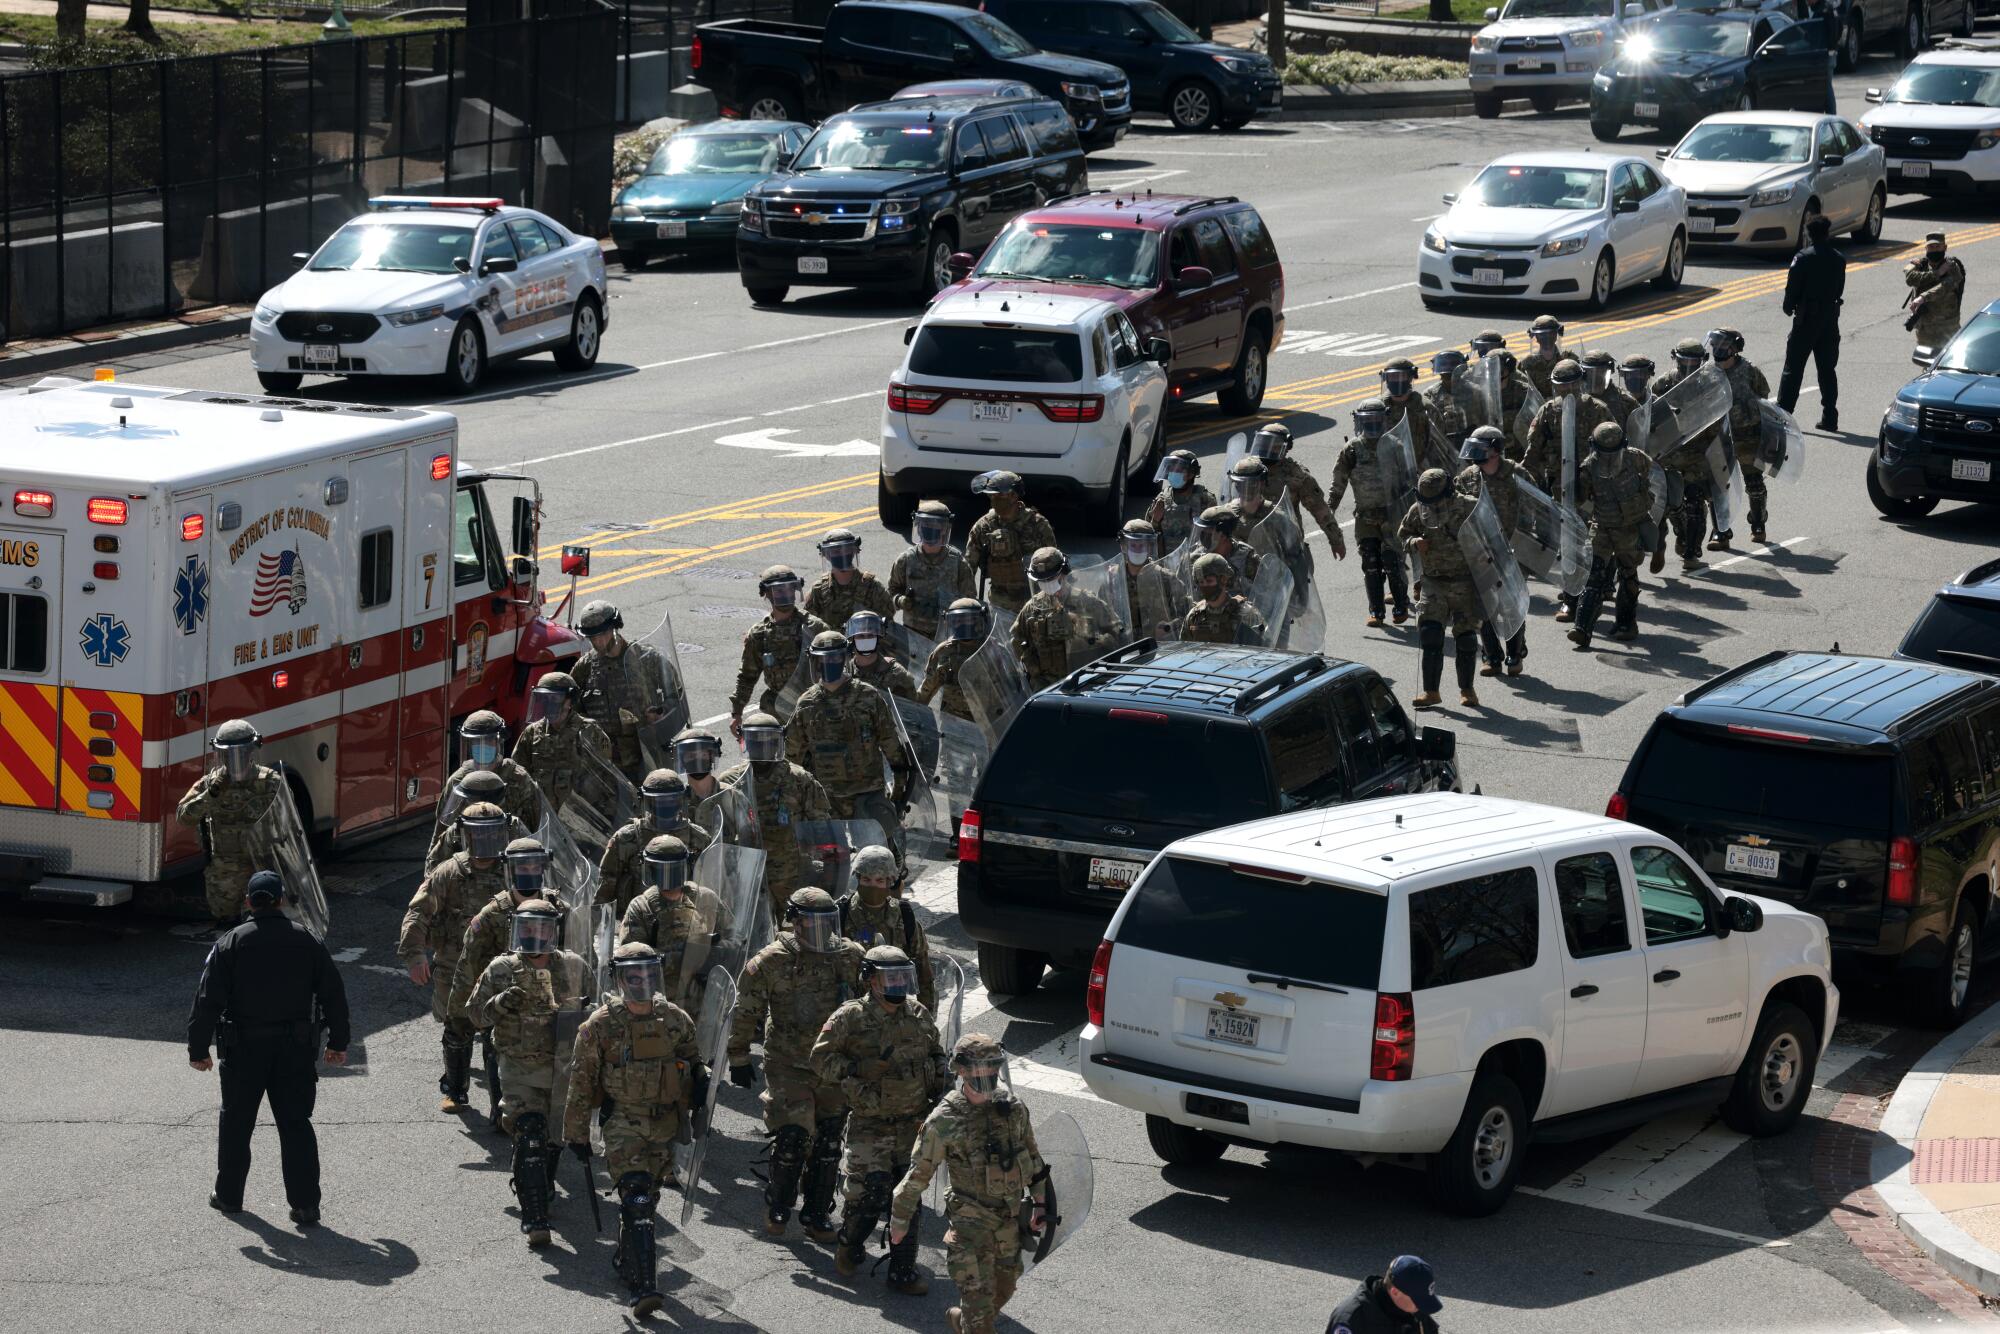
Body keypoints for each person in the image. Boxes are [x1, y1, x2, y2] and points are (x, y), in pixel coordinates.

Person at [187, 870, 349, 1226]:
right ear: (280, 900)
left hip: (243, 1048)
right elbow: (333, 994)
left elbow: (207, 999)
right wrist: (338, 1042)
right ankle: (305, 1205)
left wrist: (198, 1049)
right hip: (294, 1048)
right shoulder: (307, 940)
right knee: (295, 1125)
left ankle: (229, 1197)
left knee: (236, 1123)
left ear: (248, 902)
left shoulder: (231, 942)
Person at [564, 943, 702, 1317]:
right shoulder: (600, 1025)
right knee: (637, 1198)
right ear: (620, 979)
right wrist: (576, 1135)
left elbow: (692, 1061)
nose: (641, 982)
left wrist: (700, 1087)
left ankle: (628, 1260)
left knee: (647, 1202)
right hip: (623, 1122)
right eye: (633, 975)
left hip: (664, 1124)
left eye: (647, 974)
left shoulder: (675, 1019)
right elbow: (580, 1082)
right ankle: (645, 1288)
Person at [729, 887, 866, 1242]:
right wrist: (739, 1055)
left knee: (829, 1141)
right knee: (793, 1135)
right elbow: (746, 1010)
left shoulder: (850, 956)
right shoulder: (771, 961)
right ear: (795, 922)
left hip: (833, 1064)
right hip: (788, 1061)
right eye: (811, 923)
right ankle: (779, 1204)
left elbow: (871, 1004)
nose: (821, 931)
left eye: (826, 923)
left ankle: (817, 1213)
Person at [809, 944, 947, 1295]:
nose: (899, 985)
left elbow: (936, 1052)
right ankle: (851, 1243)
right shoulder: (849, 1017)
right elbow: (820, 1061)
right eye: (891, 978)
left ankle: (902, 1271)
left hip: (912, 1123)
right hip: (871, 1121)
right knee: (870, 1194)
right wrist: (856, 1068)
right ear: (871, 980)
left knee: (907, 1198)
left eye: (904, 977)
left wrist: (942, 1085)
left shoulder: (918, 1014)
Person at [888, 1035, 1047, 1334]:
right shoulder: (944, 1120)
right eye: (978, 1071)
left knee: (1005, 1288)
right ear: (961, 1071)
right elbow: (918, 1174)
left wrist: (1040, 1202)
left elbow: (1034, 1161)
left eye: (991, 1070)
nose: (986, 1077)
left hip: (1008, 1224)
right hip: (969, 1228)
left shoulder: (1013, 1109)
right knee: (981, 1319)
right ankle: (973, 1322)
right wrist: (900, 1220)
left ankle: (962, 1319)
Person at [467, 897, 592, 1248]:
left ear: (555, 931)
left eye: (542, 928)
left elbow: (597, 1008)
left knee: (553, 1139)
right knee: (530, 1132)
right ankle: (534, 1217)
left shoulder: (573, 965)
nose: (534, 935)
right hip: (519, 1067)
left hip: (562, 1067)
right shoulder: (500, 969)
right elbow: (475, 1015)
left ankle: (537, 1183)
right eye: (528, 928)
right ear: (515, 930)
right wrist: (501, 1003)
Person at [400, 801, 511, 1113]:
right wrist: (415, 955)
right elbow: (418, 912)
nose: (487, 842)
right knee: (457, 1029)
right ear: (466, 836)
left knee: (500, 1033)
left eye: (493, 834)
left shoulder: (514, 870)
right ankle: (455, 1089)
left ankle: (503, 1103)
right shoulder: (449, 872)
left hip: (502, 966)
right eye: (480, 834)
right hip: (455, 963)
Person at [448, 836, 568, 1123]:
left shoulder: (556, 907)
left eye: (534, 866)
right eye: (521, 867)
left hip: (550, 991)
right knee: (496, 1048)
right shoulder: (493, 913)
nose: (528, 872)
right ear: (509, 870)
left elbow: (575, 949)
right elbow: (469, 958)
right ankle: (502, 1110)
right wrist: (461, 1011)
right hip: (505, 991)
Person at [786, 630, 915, 861]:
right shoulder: (806, 704)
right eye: (823, 659)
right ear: (814, 662)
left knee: (880, 860)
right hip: (826, 800)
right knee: (831, 866)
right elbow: (792, 757)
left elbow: (890, 743)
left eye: (835, 658)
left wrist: (899, 789)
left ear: (845, 658)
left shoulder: (868, 696)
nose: (829, 664)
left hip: (866, 795)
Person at [718, 711, 833, 924]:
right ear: (745, 742)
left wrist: (825, 870)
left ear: (777, 742)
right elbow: (720, 836)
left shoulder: (798, 779)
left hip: (793, 877)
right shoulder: (731, 782)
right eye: (756, 741)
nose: (762, 747)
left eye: (768, 741)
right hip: (748, 876)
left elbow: (821, 827)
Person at [1522, 358, 1614, 622]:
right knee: (1567, 543)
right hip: (1561, 491)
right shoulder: (1548, 412)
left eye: (1571, 386)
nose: (1566, 392)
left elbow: (1612, 450)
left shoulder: (1598, 411)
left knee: (1594, 543)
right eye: (1561, 387)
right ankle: (1571, 599)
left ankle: (1599, 586)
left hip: (1592, 490)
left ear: (1580, 384)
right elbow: (1533, 453)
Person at [176, 719, 287, 938]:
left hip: (262, 865)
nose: (236, 759)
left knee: (263, 927)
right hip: (226, 869)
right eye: (229, 754)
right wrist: (211, 794)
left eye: (241, 753)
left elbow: (290, 823)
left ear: (251, 752)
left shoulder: (271, 782)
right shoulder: (210, 784)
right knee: (227, 926)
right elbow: (184, 817)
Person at [572, 599, 688, 787]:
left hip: (644, 757)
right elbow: (571, 708)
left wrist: (661, 713)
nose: (598, 642)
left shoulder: (645, 658)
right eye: (592, 637)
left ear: (615, 629)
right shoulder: (585, 667)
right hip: (605, 763)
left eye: (603, 634)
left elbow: (677, 694)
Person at [1399, 468, 1483, 710]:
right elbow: (1403, 534)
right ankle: (1431, 692)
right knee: (1430, 635)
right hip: (1433, 581)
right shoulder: (1418, 510)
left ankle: (1467, 690)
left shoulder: (1469, 506)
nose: (1432, 505)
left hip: (1464, 581)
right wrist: (1414, 543)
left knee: (1466, 639)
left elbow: (1490, 533)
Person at [1569, 421, 1656, 650]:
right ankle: (1582, 629)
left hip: (1628, 527)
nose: (1609, 459)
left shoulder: (1637, 459)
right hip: (1603, 527)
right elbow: (1581, 500)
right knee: (1594, 574)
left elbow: (1651, 482)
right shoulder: (1588, 468)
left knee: (1628, 574)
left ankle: (1627, 625)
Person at [1326, 399, 1413, 626]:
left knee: (1393, 562)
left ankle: (1401, 606)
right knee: (1371, 564)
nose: (1373, 426)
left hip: (1392, 517)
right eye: (1368, 421)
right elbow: (1338, 483)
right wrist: (1329, 513)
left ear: (1384, 420)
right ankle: (1376, 611)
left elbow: (1408, 481)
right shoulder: (1352, 450)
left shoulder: (1395, 446)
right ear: (1360, 422)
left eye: (1377, 421)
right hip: (1365, 517)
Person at [619, 834, 726, 1006]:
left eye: (673, 869)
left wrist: (711, 951)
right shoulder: (641, 907)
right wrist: (678, 957)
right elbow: (630, 960)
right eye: (662, 870)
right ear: (651, 870)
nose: (668, 877)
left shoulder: (705, 899)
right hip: (662, 1004)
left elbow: (735, 938)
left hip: (706, 997)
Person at [1455, 429, 1528, 678]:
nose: (1476, 455)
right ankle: (1491, 656)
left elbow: (1533, 507)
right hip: (1480, 552)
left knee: (1511, 606)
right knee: (1485, 607)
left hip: (1510, 551)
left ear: (1496, 450)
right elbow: (1457, 513)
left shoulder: (1516, 474)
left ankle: (1514, 655)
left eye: (1482, 449)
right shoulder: (1467, 478)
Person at [595, 768, 713, 919]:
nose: (665, 804)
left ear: (681, 799)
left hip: (687, 923)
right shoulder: (626, 838)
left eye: (671, 799)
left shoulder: (699, 838)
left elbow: (713, 888)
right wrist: (593, 932)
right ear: (647, 801)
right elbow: (606, 886)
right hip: (638, 921)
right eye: (659, 800)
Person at [730, 565, 832, 736]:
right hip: (777, 709)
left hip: (814, 708)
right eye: (779, 591)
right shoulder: (759, 634)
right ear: (767, 594)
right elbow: (747, 676)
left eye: (789, 589)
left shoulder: (814, 627)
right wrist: (737, 713)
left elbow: (838, 666)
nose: (786, 595)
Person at [1650, 339, 1723, 573]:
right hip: (1670, 455)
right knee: (1669, 505)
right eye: (1685, 362)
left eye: (1694, 362)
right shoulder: (1664, 385)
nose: (1689, 367)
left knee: (1694, 503)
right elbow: (1651, 418)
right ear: (1677, 360)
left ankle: (1691, 550)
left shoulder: (1710, 385)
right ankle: (1667, 541)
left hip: (1696, 458)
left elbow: (1719, 419)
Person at [836, 844, 937, 1011]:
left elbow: (923, 973)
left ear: (890, 881)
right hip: (852, 1012)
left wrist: (926, 1016)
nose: (873, 886)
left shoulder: (904, 917)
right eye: (866, 880)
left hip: (893, 1008)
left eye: (879, 881)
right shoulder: (842, 914)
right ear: (858, 879)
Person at [1010, 547, 1126, 691]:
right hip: (1047, 689)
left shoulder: (1088, 602)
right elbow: (1017, 642)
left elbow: (1119, 637)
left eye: (1051, 578)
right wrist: (1034, 671)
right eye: (1042, 580)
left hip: (1084, 683)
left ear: (1064, 573)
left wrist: (1086, 634)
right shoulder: (1032, 609)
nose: (1047, 583)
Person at [428, 710, 540, 854]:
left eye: (488, 740)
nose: (481, 746)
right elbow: (440, 834)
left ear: (498, 742)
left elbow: (536, 826)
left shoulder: (518, 778)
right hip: (469, 863)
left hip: (509, 860)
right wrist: (431, 873)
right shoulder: (457, 781)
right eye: (476, 742)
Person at [509, 671, 613, 814]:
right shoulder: (532, 733)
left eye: (555, 698)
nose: (549, 704)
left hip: (579, 821)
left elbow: (605, 779)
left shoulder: (589, 731)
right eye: (544, 699)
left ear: (570, 701)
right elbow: (518, 776)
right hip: (543, 818)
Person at [1709, 327, 1774, 546]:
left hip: (1748, 437)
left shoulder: (1749, 371)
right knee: (1718, 487)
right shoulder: (1709, 372)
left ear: (1734, 349)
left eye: (1723, 346)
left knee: (1754, 484)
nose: (1718, 350)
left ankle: (1758, 524)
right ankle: (1721, 531)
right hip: (1719, 438)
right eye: (1715, 345)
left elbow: (1764, 398)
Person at [1781, 213, 1845, 432]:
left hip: (1807, 320)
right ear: (1827, 233)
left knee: (1793, 368)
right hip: (1829, 319)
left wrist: (1788, 306)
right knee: (1827, 369)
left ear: (1808, 234)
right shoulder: (1838, 258)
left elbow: (1793, 287)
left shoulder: (1803, 257)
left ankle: (1784, 416)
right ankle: (1830, 417)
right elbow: (1839, 289)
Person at [965, 470, 1057, 615]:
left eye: (1000, 495)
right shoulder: (984, 526)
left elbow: (1055, 564)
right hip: (999, 605)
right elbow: (968, 570)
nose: (995, 499)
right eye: (992, 495)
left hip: (1034, 603)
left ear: (1014, 495)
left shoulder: (1038, 524)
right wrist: (968, 605)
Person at [889, 500, 977, 646]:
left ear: (944, 529)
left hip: (948, 637)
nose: (928, 529)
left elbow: (969, 601)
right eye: (925, 524)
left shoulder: (958, 563)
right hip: (913, 635)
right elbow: (891, 592)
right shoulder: (905, 560)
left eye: (934, 525)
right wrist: (900, 600)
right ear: (918, 527)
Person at [1247, 423, 1344, 553]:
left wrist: (1336, 540)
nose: (1267, 449)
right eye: (1264, 443)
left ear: (1286, 448)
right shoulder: (1248, 470)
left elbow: (1320, 510)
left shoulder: (1296, 475)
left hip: (1288, 545)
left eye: (1274, 446)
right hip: (1253, 544)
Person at [425, 767, 532, 873]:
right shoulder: (457, 829)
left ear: (483, 805)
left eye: (465, 802)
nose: (461, 807)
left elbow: (533, 863)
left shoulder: (513, 827)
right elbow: (433, 869)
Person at [1325, 1255, 1444, 1334]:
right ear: (1395, 1292)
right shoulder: (1351, 1319)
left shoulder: (1413, 1310)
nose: (1421, 1307)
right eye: (1417, 1300)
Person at [806, 528, 896, 633]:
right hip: (833, 647)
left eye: (846, 549)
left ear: (854, 551)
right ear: (826, 555)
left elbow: (888, 625)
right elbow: (808, 628)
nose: (842, 555)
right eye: (836, 551)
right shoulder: (818, 590)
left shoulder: (873, 586)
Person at [918, 598, 989, 723]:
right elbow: (928, 687)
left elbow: (1009, 689)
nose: (963, 625)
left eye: (968, 619)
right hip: (952, 723)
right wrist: (914, 709)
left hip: (986, 723)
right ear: (950, 622)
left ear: (979, 620)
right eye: (958, 620)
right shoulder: (944, 652)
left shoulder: (991, 649)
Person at [1119, 519, 1188, 641]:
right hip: (1122, 650)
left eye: (1142, 545)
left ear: (1150, 548)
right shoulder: (1114, 579)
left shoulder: (1166, 579)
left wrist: (1168, 628)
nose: (1137, 550)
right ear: (1124, 545)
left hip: (1159, 650)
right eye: (1133, 545)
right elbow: (1101, 619)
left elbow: (1187, 616)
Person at [1181, 552, 1268, 645]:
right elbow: (1183, 649)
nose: (1205, 586)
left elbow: (1264, 649)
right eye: (1201, 582)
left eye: (1209, 581)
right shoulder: (1194, 616)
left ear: (1224, 579)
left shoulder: (1246, 614)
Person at [1380, 357, 1448, 475]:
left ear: (1411, 377)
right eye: (1393, 376)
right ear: (1386, 378)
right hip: (1388, 473)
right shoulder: (1378, 408)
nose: (1397, 380)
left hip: (1420, 470)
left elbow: (1439, 443)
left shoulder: (1425, 407)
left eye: (1401, 376)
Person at [1904, 230, 1966, 354]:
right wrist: (1937, 273)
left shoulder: (1953, 267)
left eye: (1938, 246)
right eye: (1931, 247)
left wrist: (1922, 297)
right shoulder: (1919, 265)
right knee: (1927, 364)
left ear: (1945, 247)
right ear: (1926, 248)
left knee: (1951, 361)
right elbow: (1910, 279)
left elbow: (1944, 287)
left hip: (1947, 326)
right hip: (1925, 328)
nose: (1934, 250)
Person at [1145, 448, 1217, 552]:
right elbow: (1147, 535)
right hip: (1166, 562)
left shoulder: (1205, 500)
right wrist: (1155, 521)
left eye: (1178, 470)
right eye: (1171, 469)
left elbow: (1215, 538)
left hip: (1194, 561)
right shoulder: (1162, 499)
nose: (1173, 473)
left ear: (1191, 473)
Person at [847, 611, 920, 701]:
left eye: (870, 635)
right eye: (861, 635)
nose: (865, 639)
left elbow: (913, 711)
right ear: (852, 639)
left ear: (878, 637)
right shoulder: (844, 673)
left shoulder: (897, 674)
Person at [1421, 349, 1475, 454]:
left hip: (1470, 444)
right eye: (1445, 375)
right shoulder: (1429, 395)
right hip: (1443, 448)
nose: (1449, 378)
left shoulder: (1474, 391)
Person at [1581, 347, 1639, 428]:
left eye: (1600, 370)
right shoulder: (1578, 400)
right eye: (1590, 372)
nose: (1595, 376)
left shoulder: (1624, 400)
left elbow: (1640, 427)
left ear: (1609, 370)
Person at [1521, 313, 1571, 397]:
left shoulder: (1567, 359)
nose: (1547, 337)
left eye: (1551, 333)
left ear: (1556, 335)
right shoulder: (1527, 363)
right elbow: (1522, 390)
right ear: (1535, 336)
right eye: (1542, 334)